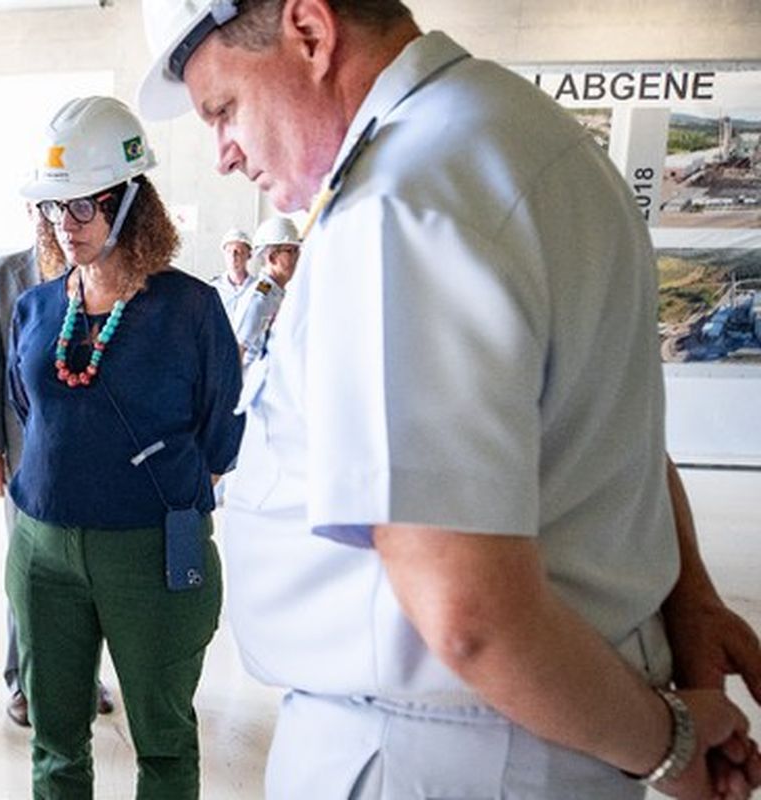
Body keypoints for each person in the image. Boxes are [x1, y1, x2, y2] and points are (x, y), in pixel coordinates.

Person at [137, 0, 761, 797]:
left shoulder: (401, 203)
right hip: (538, 732)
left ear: (310, 33)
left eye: (224, 109)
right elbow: (604, 431)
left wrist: (668, 749)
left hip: (430, 750)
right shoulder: (531, 138)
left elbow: (471, 616)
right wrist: (689, 594)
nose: (222, 154)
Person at [7, 95, 243, 799]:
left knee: (163, 742)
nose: (65, 223)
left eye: (83, 206)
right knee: (55, 743)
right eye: (55, 207)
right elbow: (34, 413)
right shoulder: (36, 308)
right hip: (41, 553)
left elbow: (220, 437)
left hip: (151, 555)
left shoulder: (191, 309)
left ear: (133, 202)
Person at [0, 221, 117, 729]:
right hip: (23, 452)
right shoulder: (0, 277)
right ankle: (23, 679)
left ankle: (83, 677)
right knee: (30, 568)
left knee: (87, 567)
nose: (55, 217)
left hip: (88, 449)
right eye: (45, 205)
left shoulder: (100, 266)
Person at [228, 215, 299, 365]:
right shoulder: (259, 298)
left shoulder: (277, 293)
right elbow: (237, 351)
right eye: (290, 251)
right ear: (272, 258)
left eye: (297, 250)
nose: (297, 257)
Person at [207, 226, 252, 311]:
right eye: (229, 251)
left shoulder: (259, 286)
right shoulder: (214, 287)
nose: (233, 256)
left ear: (249, 255)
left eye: (238, 252)